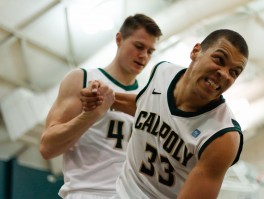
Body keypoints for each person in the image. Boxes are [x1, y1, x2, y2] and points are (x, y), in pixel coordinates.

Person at [81, 29, 249, 199]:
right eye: (219, 60)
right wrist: (105, 97)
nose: (224, 74)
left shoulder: (223, 137)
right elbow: (145, 105)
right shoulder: (163, 72)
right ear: (196, 51)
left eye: (234, 72)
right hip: (116, 191)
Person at [39, 13, 162, 199]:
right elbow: (47, 147)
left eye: (150, 51)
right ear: (119, 39)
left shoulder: (148, 98)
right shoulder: (82, 79)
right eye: (139, 46)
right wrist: (89, 116)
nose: (143, 56)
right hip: (89, 192)